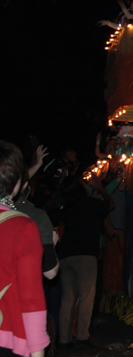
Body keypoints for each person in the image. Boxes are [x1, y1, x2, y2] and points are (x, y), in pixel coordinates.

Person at [0, 141, 50, 357]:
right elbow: (31, 300)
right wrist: (37, 352)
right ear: (20, 183)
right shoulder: (23, 227)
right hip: (7, 337)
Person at [56, 174, 114, 349]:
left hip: (65, 255)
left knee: (68, 298)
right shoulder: (91, 204)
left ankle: (64, 339)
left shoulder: (65, 207)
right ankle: (82, 336)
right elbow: (110, 205)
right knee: (86, 296)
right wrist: (101, 189)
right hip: (86, 255)